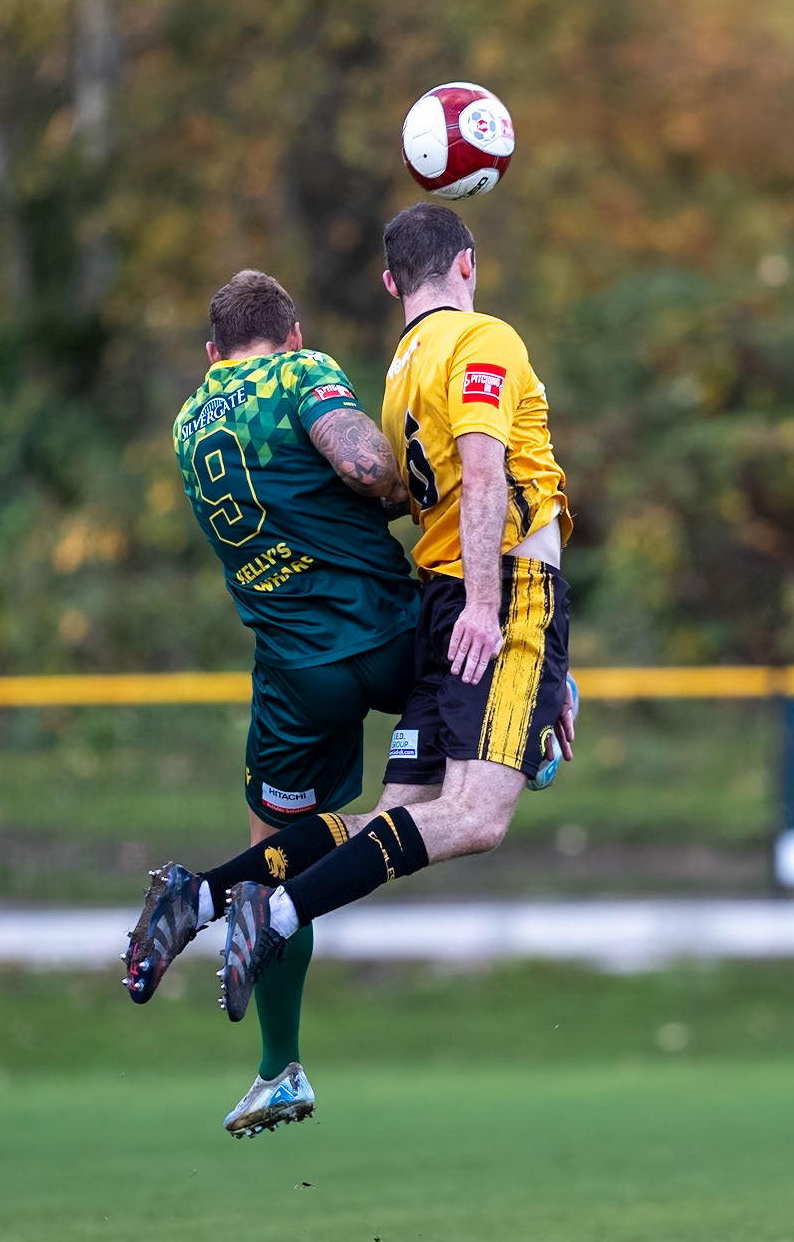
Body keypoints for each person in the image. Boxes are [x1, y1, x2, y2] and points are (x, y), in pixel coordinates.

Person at [127, 204, 576, 1034]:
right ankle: (281, 912)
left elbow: (411, 489)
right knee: (476, 815)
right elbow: (470, 480)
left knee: (388, 815)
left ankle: (208, 895)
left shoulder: (398, 370)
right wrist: (498, 614)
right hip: (476, 599)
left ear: (389, 281)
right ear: (468, 265)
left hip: (351, 635)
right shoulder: (480, 342)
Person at [123, 269, 421, 1136]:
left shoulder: (187, 422)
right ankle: (549, 725)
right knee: (495, 697)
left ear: (212, 354)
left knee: (280, 851)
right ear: (293, 335)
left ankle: (277, 1067)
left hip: (294, 679)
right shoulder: (299, 375)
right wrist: (408, 484)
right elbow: (364, 462)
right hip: (386, 636)